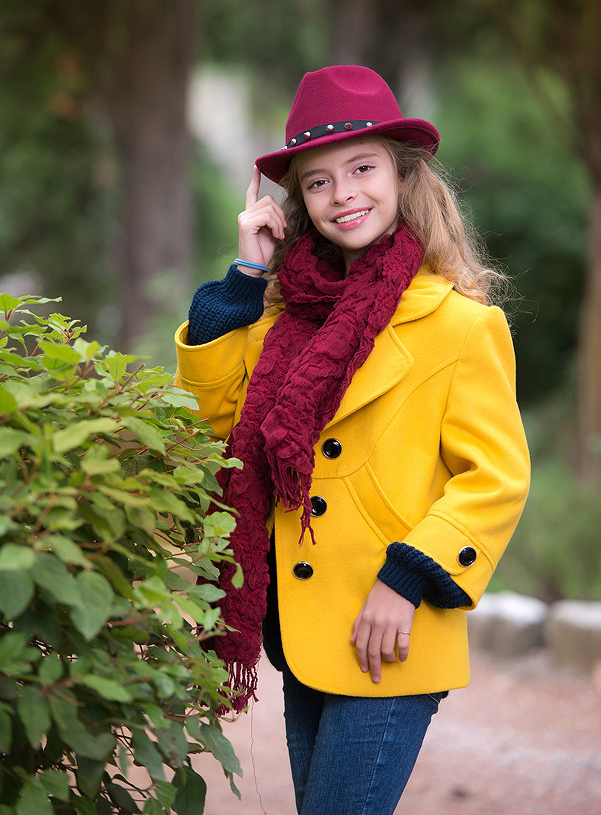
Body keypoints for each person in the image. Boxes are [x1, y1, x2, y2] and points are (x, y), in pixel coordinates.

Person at [175, 65, 530, 814]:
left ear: (402, 178)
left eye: (362, 169)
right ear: (296, 203)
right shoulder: (276, 320)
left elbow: (493, 477)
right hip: (303, 631)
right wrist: (242, 280)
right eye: (317, 182)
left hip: (391, 632)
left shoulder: (461, 325)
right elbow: (213, 433)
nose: (344, 196)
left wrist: (407, 578)